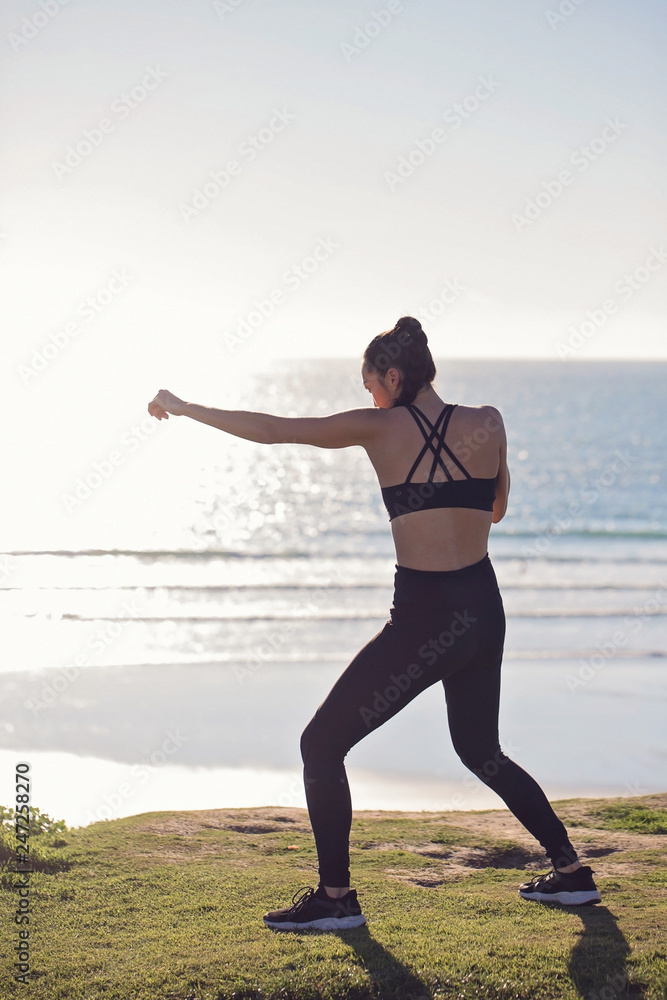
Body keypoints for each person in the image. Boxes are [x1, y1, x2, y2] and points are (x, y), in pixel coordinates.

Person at [148, 315, 601, 931]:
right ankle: (572, 873)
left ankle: (336, 897)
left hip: (423, 617)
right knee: (481, 750)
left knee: (321, 743)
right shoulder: (488, 421)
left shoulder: (380, 427)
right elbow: (494, 508)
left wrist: (183, 405)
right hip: (483, 609)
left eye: (372, 386)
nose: (371, 398)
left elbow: (275, 431)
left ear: (393, 375)